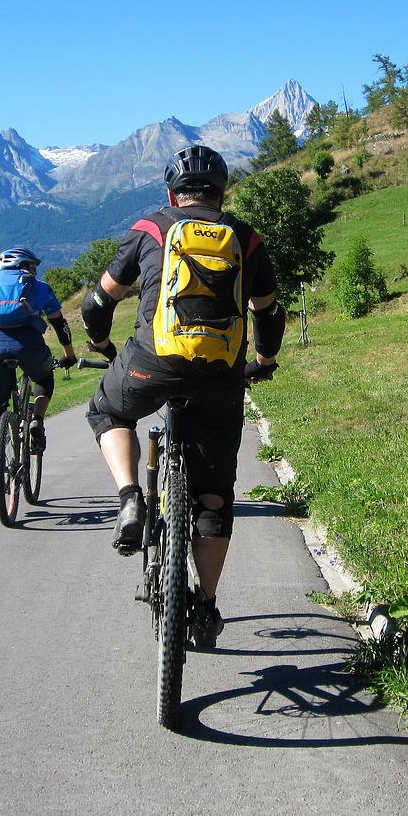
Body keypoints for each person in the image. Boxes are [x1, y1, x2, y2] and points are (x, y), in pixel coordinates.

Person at [81, 144, 284, 648]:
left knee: (106, 410)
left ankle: (130, 497)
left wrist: (105, 346)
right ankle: (207, 605)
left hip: (153, 364)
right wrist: (262, 361)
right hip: (221, 375)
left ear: (173, 192)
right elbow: (269, 314)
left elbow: (97, 300)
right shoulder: (247, 238)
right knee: (214, 496)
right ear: (221, 192)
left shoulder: (152, 228)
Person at [0, 246, 77, 486]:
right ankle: (36, 420)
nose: (35, 269)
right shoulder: (39, 287)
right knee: (44, 377)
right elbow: (59, 323)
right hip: (28, 346)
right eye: (33, 265)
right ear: (26, 266)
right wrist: (69, 354)